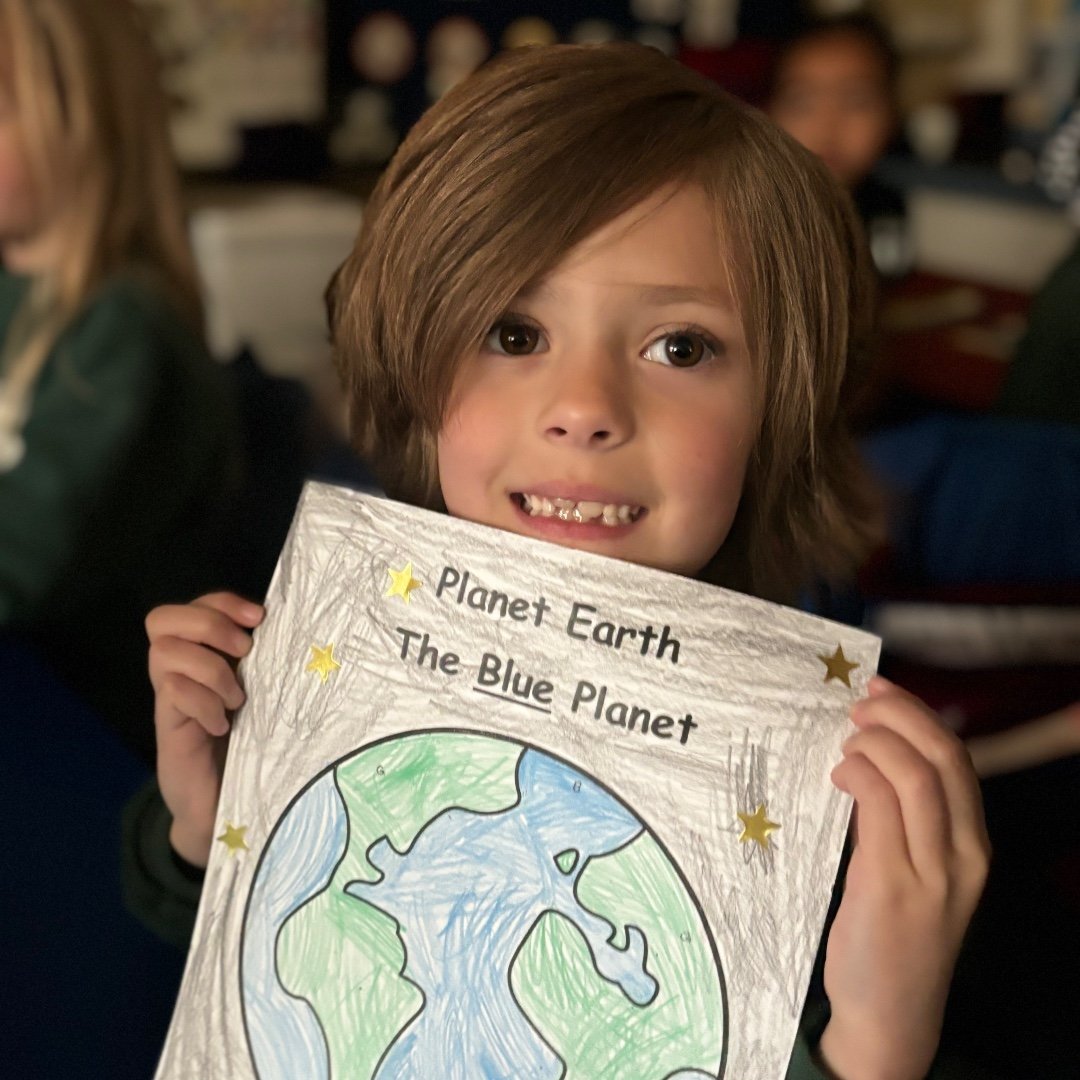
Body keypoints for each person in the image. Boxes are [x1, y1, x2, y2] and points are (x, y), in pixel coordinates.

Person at [131, 44, 991, 1079]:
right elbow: (273, 1000)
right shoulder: (336, 656)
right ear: (416, 355)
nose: (584, 408)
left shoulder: (841, 800)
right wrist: (210, 830)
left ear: (781, 405)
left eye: (681, 347)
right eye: (513, 330)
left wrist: (879, 1042)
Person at [0, 0, 240, 758]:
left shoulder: (123, 328)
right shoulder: (17, 294)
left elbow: (20, 566)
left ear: (82, 117)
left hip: (97, 748)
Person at [767, 12, 910, 278]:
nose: (828, 127)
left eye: (856, 101)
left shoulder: (888, 205)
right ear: (768, 113)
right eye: (802, 102)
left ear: (892, 113)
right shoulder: (753, 216)